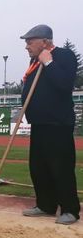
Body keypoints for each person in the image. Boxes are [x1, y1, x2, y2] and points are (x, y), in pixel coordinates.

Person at [19, 24, 80, 225]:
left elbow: (64, 84)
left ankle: (70, 209)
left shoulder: (64, 55)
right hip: (39, 123)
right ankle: (46, 204)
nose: (27, 46)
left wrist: (49, 63)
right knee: (38, 167)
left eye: (30, 42)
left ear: (45, 42)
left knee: (60, 166)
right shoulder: (34, 61)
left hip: (57, 123)